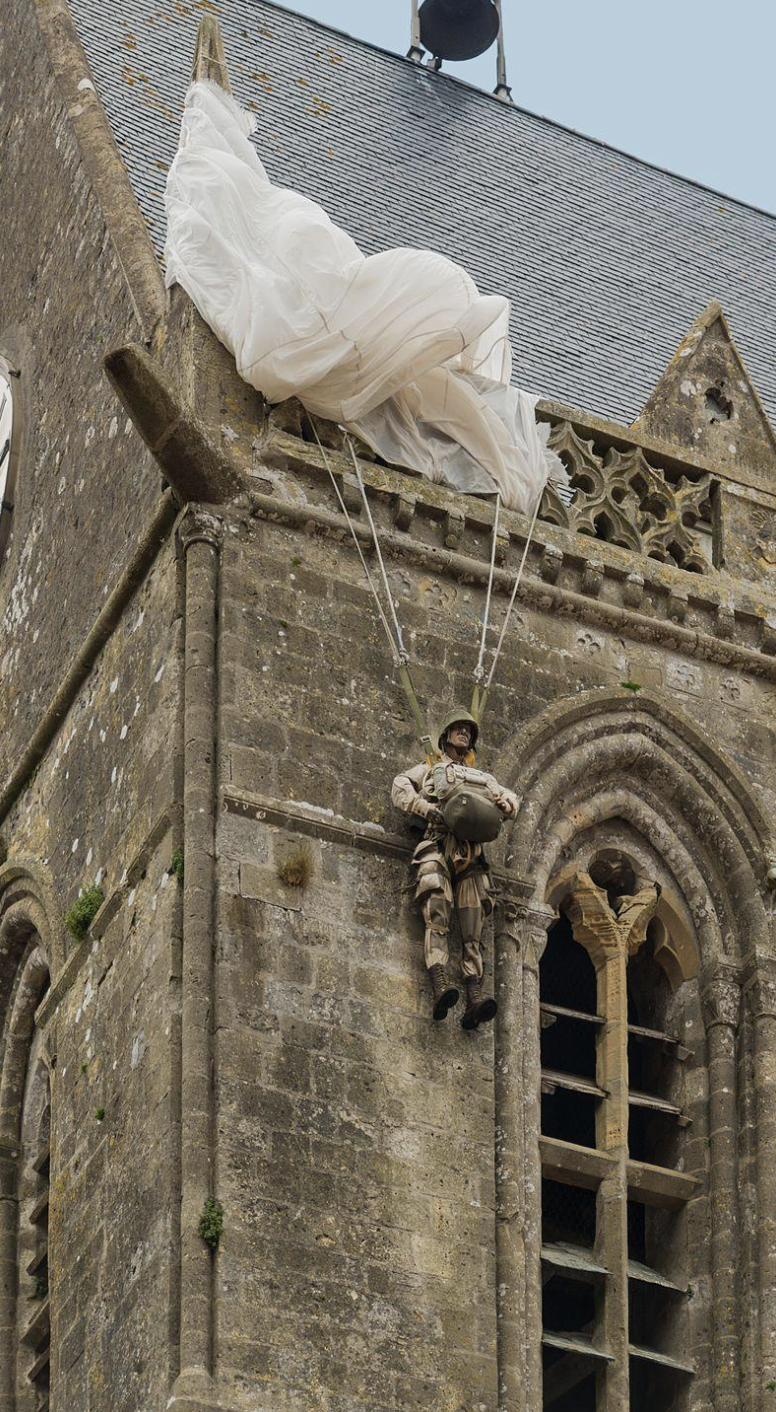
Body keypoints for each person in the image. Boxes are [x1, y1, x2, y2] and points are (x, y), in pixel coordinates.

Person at [391, 709, 519, 1029]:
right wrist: (424, 807)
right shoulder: (431, 769)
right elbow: (400, 785)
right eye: (458, 729)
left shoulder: (484, 779)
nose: (463, 733)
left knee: (473, 924)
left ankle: (474, 997)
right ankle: (440, 985)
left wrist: (506, 804)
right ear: (447, 735)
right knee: (438, 913)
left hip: (472, 856)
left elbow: (510, 799)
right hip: (438, 844)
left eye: (468, 731)